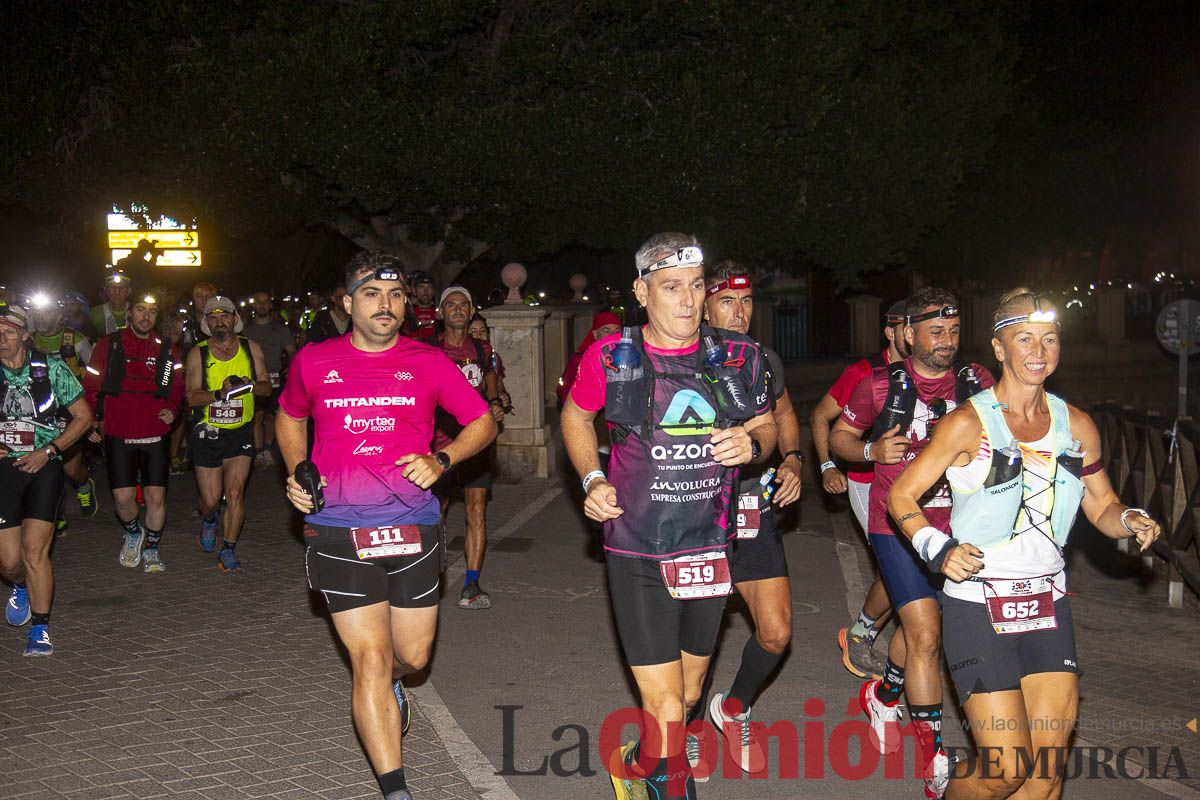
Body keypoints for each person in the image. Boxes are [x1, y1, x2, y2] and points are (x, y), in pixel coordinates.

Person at [889, 289, 1162, 800]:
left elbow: (1102, 505)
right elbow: (901, 495)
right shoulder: (967, 423)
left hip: (1048, 606)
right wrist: (937, 548)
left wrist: (1130, 519)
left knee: (1045, 777)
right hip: (979, 607)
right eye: (1025, 339)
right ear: (999, 348)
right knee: (1004, 771)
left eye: (1050, 339)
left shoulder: (1076, 425)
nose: (1039, 351)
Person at [562, 234, 776, 798]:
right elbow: (575, 417)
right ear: (642, 292)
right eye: (671, 287)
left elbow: (767, 424)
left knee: (687, 694)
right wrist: (592, 479)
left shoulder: (738, 356)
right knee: (665, 706)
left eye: (696, 287)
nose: (688, 300)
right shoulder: (613, 356)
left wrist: (753, 445)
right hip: (637, 546)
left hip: (709, 546)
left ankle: (637, 764)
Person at [277, 251, 496, 800]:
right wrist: (297, 469)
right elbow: (289, 414)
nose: (386, 304)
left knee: (412, 659)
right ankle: (396, 789)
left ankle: (394, 685)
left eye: (396, 295)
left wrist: (443, 460)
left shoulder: (429, 362)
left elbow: (482, 421)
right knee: (369, 659)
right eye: (372, 294)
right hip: (336, 526)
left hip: (412, 525)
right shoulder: (314, 361)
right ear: (348, 302)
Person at [830, 288, 994, 798]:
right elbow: (838, 437)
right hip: (896, 526)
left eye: (954, 331)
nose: (947, 341)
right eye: (936, 331)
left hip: (960, 527)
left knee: (924, 627)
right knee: (924, 634)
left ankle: (884, 695)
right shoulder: (879, 385)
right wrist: (870, 450)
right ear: (909, 333)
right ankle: (935, 760)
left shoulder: (977, 382)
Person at [689, 261, 803, 778]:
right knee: (698, 640)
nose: (739, 312)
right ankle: (690, 727)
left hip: (753, 508)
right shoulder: (681, 356)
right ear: (704, 305)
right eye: (727, 301)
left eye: (747, 301)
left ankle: (733, 708)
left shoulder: (761, 358)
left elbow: (784, 414)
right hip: (694, 515)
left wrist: (795, 459)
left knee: (776, 633)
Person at [810, 300, 909, 679]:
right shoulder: (864, 373)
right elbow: (820, 415)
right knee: (897, 566)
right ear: (891, 332)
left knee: (910, 570)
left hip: (915, 486)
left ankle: (870, 633)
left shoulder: (930, 371)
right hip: (869, 483)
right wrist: (827, 465)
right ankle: (860, 634)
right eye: (907, 327)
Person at [0, 303, 93, 656]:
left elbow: (84, 418)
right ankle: (21, 585)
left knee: (35, 551)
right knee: (10, 563)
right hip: (4, 470)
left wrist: (50, 450)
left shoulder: (50, 368)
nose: (2, 340)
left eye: (9, 333)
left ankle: (40, 629)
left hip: (44, 465)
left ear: (25, 335)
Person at [83, 293, 184, 572]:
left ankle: (151, 549)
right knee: (123, 498)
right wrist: (91, 420)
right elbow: (91, 385)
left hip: (154, 433)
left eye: (151, 311)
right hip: (119, 432)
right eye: (140, 309)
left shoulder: (166, 347)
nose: (145, 316)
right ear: (130, 312)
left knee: (156, 497)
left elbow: (177, 386)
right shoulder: (109, 344)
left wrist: (172, 409)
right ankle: (133, 533)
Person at [184, 296, 270, 573]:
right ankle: (209, 520)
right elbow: (191, 397)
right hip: (207, 432)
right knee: (211, 501)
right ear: (206, 323)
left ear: (235, 319)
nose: (219, 322)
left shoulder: (250, 348)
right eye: (213, 318)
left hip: (240, 432)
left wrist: (249, 386)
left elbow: (267, 387)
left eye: (224, 316)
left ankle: (228, 548)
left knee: (234, 493)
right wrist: (219, 394)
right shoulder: (198, 353)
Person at [433, 288, 506, 609]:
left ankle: (472, 583)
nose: (458, 310)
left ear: (472, 310)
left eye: (463, 305)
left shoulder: (480, 347)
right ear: (441, 312)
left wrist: (494, 401)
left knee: (476, 509)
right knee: (436, 511)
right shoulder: (430, 350)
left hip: (475, 442)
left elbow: (490, 375)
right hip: (440, 443)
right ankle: (430, 576)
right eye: (451, 305)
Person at [30, 292, 98, 533]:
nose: (41, 316)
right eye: (38, 312)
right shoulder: (26, 339)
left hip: (70, 412)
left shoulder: (76, 340)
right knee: (45, 466)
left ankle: (84, 484)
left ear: (60, 315)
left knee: (70, 469)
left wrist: (93, 414)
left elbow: (94, 377)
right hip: (38, 413)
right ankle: (55, 513)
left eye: (47, 311)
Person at [244, 291, 296, 468]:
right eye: (258, 302)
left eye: (265, 302)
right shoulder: (245, 330)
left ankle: (267, 449)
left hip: (275, 377)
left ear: (270, 305)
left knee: (272, 416)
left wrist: (292, 366)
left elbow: (291, 350)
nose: (262, 306)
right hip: (253, 380)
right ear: (253, 305)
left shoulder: (280, 329)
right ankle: (258, 452)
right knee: (257, 416)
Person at [557, 310, 621, 407]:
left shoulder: (629, 357)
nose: (612, 335)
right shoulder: (579, 359)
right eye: (607, 331)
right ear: (595, 334)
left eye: (617, 331)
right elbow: (563, 390)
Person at [468, 313, 512, 412]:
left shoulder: (494, 358)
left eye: (483, 331)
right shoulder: (461, 358)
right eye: (473, 331)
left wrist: (504, 397)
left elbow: (499, 386)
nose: (479, 335)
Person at [90, 270, 131, 335]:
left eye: (122, 288)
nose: (117, 292)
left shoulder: (137, 311)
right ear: (106, 291)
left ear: (128, 291)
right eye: (113, 287)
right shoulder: (94, 313)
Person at [403, 271, 438, 341]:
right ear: (414, 291)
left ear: (434, 291)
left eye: (429, 287)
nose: (426, 291)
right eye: (421, 287)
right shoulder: (406, 313)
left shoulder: (440, 312)